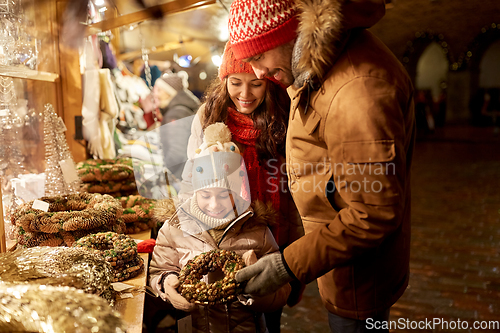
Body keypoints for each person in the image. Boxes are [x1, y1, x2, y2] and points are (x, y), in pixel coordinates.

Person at [228, 0, 416, 332]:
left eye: (259, 57)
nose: (258, 73)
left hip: (359, 274)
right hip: (338, 255)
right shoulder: (317, 65)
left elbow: (372, 213)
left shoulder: (357, 90)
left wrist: (287, 265)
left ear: (293, 34)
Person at [180, 41, 305, 332]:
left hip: (275, 225)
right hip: (225, 226)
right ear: (224, 81)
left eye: (256, 84)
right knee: (227, 306)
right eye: (236, 83)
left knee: (270, 306)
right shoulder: (209, 116)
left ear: (268, 83)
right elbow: (192, 176)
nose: (244, 94)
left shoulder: (283, 115)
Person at [149, 123, 291, 332]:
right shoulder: (175, 229)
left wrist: (254, 287)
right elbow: (158, 271)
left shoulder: (257, 232)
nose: (214, 204)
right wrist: (166, 284)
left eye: (224, 195)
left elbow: (281, 292)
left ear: (238, 193)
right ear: (194, 191)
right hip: (194, 326)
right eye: (205, 195)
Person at [158, 72, 201, 190]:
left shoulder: (176, 113)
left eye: (159, 90)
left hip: (181, 176)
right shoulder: (182, 107)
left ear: (168, 92)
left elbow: (176, 151)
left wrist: (164, 171)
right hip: (189, 172)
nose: (156, 94)